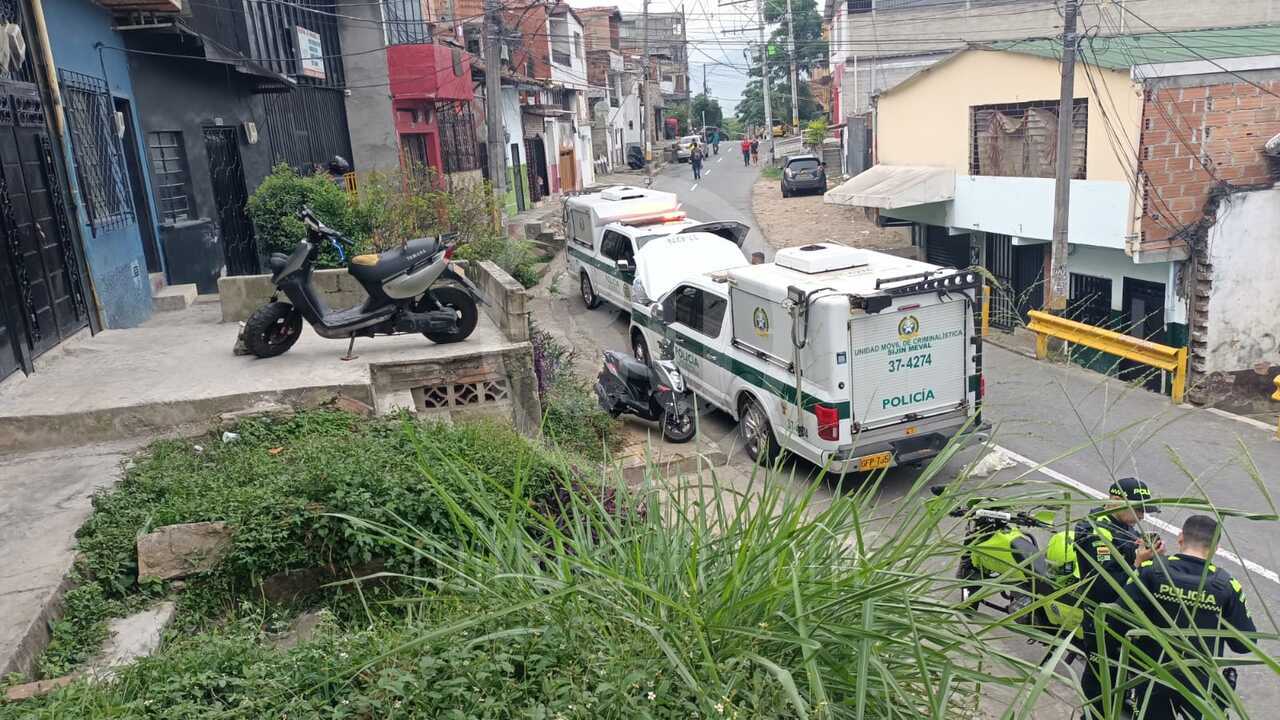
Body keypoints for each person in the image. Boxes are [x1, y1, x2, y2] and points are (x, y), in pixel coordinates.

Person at [1120, 515, 1256, 719]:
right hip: (1200, 684)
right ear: (1216, 547)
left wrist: (1138, 565)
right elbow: (1245, 644)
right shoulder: (1227, 585)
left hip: (1152, 674)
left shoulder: (1150, 571)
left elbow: (1118, 616)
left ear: (1180, 538)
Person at [1077, 477, 1164, 719]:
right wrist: (1138, 561)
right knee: (1100, 673)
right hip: (1101, 614)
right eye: (1138, 509)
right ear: (1115, 501)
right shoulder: (1093, 529)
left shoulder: (1125, 527)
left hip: (1126, 614)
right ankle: (1092, 714)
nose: (1142, 516)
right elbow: (1106, 586)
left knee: (1122, 671)